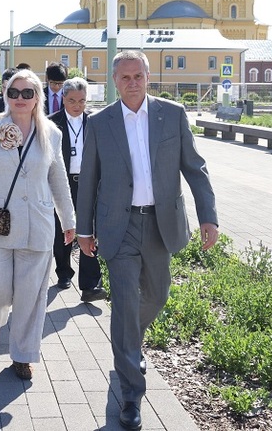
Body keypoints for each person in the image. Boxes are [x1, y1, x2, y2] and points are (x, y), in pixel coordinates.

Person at [77, 50, 218, 431]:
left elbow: (195, 167)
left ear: (148, 76)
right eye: (124, 77)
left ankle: (128, 343)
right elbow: (88, 178)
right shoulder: (100, 122)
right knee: (123, 304)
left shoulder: (171, 113)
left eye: (137, 75)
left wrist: (209, 216)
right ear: (114, 81)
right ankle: (131, 395)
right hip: (117, 227)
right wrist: (84, 230)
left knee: (157, 295)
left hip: (160, 223)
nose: (132, 83)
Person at [0, 69, 76, 381]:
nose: (20, 98)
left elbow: (58, 180)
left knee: (30, 295)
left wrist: (69, 220)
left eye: (27, 92)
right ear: (5, 95)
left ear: (37, 96)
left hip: (38, 226)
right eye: (14, 92)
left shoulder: (52, 133)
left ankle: (23, 355)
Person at [47, 78, 106, 301]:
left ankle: (91, 284)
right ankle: (63, 272)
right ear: (63, 99)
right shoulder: (52, 123)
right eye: (72, 100)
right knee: (63, 228)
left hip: (89, 181)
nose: (77, 105)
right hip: (63, 182)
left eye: (81, 101)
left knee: (88, 229)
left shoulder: (95, 121)